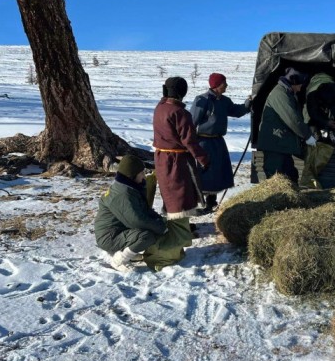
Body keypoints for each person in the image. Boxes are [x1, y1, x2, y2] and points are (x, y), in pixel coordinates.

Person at [94, 155, 167, 272]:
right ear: (132, 175)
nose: (144, 176)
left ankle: (128, 251)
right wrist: (160, 227)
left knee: (150, 230)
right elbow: (136, 220)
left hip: (119, 231)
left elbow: (144, 210)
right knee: (146, 236)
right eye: (141, 173)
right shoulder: (123, 194)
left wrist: (160, 221)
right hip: (109, 237)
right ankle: (118, 260)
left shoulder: (130, 188)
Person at [191, 72, 251, 213]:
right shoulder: (202, 100)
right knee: (205, 171)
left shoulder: (224, 101)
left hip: (218, 141)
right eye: (224, 83)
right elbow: (192, 122)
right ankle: (199, 202)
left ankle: (211, 201)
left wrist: (249, 103)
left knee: (216, 171)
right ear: (217, 85)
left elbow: (237, 111)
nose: (227, 85)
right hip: (203, 142)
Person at [153, 76, 210, 219]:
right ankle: (182, 231)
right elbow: (189, 141)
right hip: (177, 161)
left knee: (169, 192)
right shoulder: (180, 113)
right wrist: (204, 159)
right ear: (182, 92)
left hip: (161, 158)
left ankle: (177, 227)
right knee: (180, 195)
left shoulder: (160, 108)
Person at [257, 67, 316, 183]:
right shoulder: (280, 94)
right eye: (300, 85)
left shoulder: (287, 93)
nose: (300, 89)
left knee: (291, 176)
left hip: (281, 144)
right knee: (275, 178)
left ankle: (289, 200)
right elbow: (293, 119)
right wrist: (307, 136)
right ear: (294, 82)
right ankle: (275, 201)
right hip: (275, 143)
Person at [299, 72, 335, 188]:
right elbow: (313, 113)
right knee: (313, 139)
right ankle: (308, 177)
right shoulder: (312, 95)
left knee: (325, 141)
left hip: (329, 105)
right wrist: (326, 122)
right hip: (312, 117)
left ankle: (310, 176)